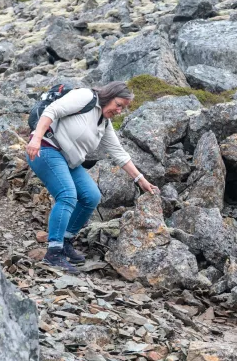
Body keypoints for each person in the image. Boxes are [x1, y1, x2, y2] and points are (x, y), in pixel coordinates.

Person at [26, 81, 158, 274]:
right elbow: (52, 111)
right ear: (109, 96)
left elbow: (118, 152)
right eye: (119, 104)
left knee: (91, 196)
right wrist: (36, 138)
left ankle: (65, 242)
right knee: (67, 195)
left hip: (68, 160)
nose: (120, 110)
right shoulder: (86, 97)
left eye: (124, 108)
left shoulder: (103, 121)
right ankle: (53, 253)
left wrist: (141, 180)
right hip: (44, 149)